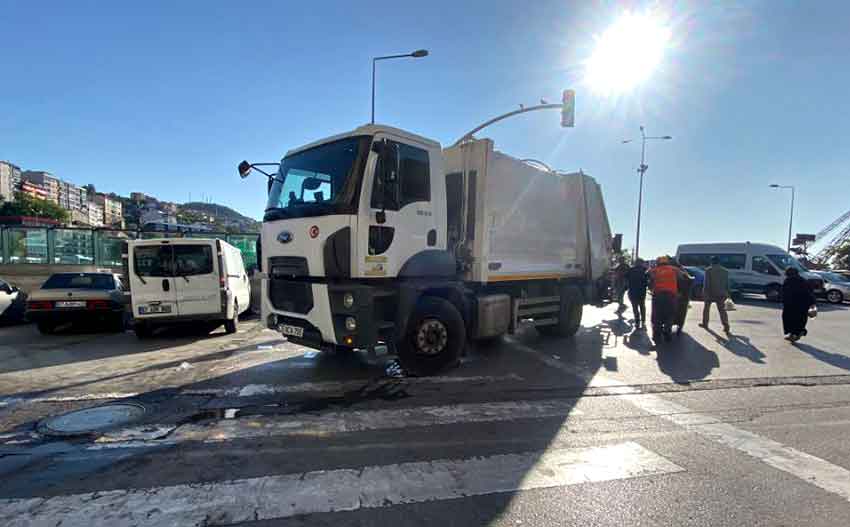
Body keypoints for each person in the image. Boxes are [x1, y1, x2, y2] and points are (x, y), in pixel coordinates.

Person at [648, 256, 679, 342]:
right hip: (671, 296)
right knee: (670, 315)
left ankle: (656, 334)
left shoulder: (654, 270)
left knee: (657, 315)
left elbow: (648, 278)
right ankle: (667, 332)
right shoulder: (674, 269)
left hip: (658, 295)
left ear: (658, 262)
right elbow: (686, 277)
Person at [781, 267, 816, 342]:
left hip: (791, 304)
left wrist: (783, 301)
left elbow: (784, 292)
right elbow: (810, 293)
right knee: (800, 320)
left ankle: (794, 334)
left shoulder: (788, 280)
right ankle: (797, 333)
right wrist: (812, 304)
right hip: (803, 305)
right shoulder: (804, 281)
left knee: (788, 319)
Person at [701, 256, 730, 333]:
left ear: (711, 262)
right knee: (722, 310)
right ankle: (726, 324)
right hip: (722, 293)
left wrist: (704, 292)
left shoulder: (708, 270)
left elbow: (706, 283)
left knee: (706, 308)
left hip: (710, 293)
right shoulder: (725, 271)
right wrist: (728, 293)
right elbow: (727, 284)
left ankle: (705, 323)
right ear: (719, 262)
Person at [626, 258, 648, 329]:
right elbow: (648, 281)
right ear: (641, 263)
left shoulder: (630, 270)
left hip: (632, 292)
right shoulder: (645, 270)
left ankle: (637, 322)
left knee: (635, 308)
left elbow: (625, 277)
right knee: (642, 306)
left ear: (635, 263)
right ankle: (643, 321)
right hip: (642, 292)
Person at [673, 259, 694, 335]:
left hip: (671, 295)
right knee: (681, 313)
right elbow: (690, 280)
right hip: (682, 297)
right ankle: (679, 326)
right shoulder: (682, 271)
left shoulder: (666, 270)